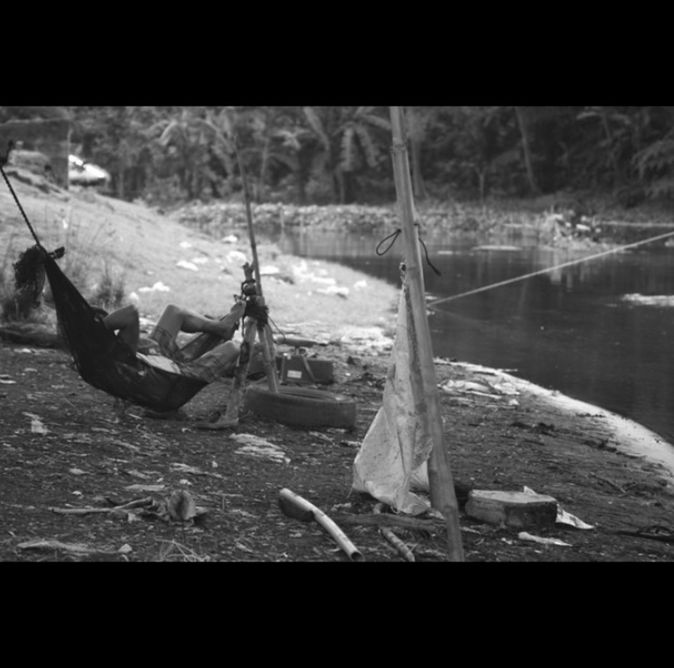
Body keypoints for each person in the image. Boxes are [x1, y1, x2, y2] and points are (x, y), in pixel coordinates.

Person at [100, 299, 247, 383]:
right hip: (170, 376)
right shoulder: (120, 355)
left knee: (174, 311)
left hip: (157, 357)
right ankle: (220, 328)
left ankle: (219, 327)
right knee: (233, 348)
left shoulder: (120, 346)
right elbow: (130, 314)